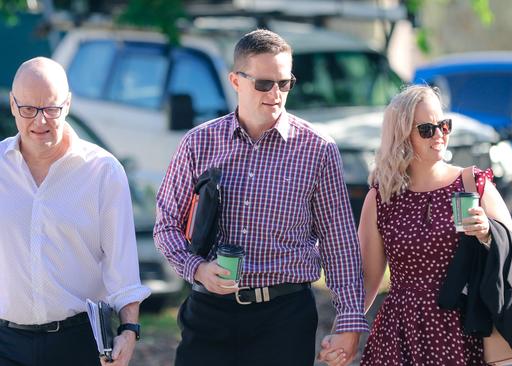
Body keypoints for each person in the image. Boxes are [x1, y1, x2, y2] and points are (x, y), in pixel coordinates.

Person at [153, 29, 368, 366]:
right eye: (264, 84)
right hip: (209, 313)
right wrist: (197, 269)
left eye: (284, 84)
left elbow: (337, 240)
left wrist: (349, 320)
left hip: (285, 317)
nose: (276, 94)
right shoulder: (199, 144)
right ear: (236, 81)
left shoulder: (317, 150)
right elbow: (166, 225)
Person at [0, 57, 150, 366]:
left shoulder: (102, 171)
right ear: (13, 106)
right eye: (28, 109)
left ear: (67, 103)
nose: (40, 122)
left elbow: (121, 266)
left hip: (79, 342)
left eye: (51, 109)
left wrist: (129, 330)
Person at [358, 85, 512, 365]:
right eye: (427, 129)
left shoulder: (473, 184)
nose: (440, 135)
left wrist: (488, 232)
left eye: (444, 125)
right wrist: (346, 332)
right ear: (402, 135)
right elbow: (368, 279)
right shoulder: (381, 197)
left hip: (463, 329)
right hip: (399, 334)